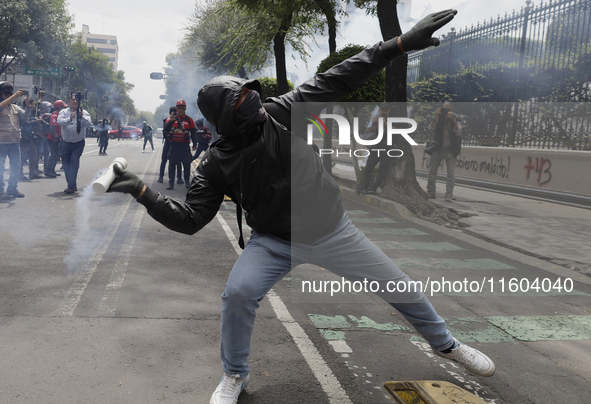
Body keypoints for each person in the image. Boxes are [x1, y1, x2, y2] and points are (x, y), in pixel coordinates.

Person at [107, 10, 495, 404]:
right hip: (274, 242)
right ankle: (234, 375)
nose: (253, 97)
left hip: (333, 231)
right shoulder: (214, 163)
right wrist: (141, 190)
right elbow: (190, 220)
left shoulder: (280, 111)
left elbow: (338, 77)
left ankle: (447, 345)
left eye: (250, 91)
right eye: (241, 98)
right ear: (226, 116)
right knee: (238, 294)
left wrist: (398, 44)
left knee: (398, 285)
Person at [426, 101, 462, 202]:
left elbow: (458, 131)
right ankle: (431, 192)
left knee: (451, 174)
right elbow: (431, 128)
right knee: (432, 171)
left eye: (448, 109)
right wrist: (435, 116)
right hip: (438, 148)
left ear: (452, 110)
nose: (446, 111)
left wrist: (453, 120)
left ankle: (449, 195)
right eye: (444, 108)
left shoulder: (456, 118)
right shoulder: (439, 117)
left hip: (451, 150)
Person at [57, 93, 92, 194]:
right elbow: (60, 122)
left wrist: (82, 117)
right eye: (73, 100)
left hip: (78, 143)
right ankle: (72, 183)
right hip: (66, 143)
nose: (75, 101)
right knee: (66, 164)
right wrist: (70, 119)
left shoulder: (83, 112)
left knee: (74, 161)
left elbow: (89, 123)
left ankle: (71, 186)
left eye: (77, 100)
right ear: (68, 102)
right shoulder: (63, 112)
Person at [0, 82, 30, 199]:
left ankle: (12, 188)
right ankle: (0, 191)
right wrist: (13, 96)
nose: (7, 96)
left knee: (16, 167)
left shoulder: (15, 107)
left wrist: (27, 107)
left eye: (9, 94)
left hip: (14, 142)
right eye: (5, 94)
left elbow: (25, 117)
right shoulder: (2, 106)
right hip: (1, 143)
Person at [358, 103, 395, 195]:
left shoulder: (392, 119)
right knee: (368, 167)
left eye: (386, 110)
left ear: (388, 111)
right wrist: (374, 123)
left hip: (386, 148)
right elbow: (371, 131)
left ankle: (373, 188)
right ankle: (365, 187)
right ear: (379, 111)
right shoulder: (376, 119)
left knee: (382, 170)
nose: (384, 112)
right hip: (376, 147)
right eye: (382, 110)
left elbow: (394, 130)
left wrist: (385, 124)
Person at [163, 99, 196, 190]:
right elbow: (165, 129)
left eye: (182, 108)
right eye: (179, 108)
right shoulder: (171, 118)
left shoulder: (189, 119)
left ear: (185, 109)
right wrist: (171, 121)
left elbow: (193, 132)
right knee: (172, 164)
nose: (181, 110)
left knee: (186, 163)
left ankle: (187, 181)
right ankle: (171, 183)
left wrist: (195, 144)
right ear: (176, 108)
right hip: (174, 146)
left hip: (185, 146)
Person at [158, 106, 182, 184]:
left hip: (176, 143)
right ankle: (161, 177)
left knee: (178, 161)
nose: (174, 115)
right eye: (172, 114)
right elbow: (165, 128)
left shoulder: (179, 120)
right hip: (168, 143)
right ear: (169, 114)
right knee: (164, 160)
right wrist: (171, 120)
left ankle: (179, 178)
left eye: (175, 114)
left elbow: (182, 128)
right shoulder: (167, 120)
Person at [45, 100, 66, 177]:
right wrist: (56, 136)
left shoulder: (58, 115)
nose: (64, 108)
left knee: (56, 155)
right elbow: (52, 128)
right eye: (63, 107)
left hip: (56, 138)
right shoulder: (54, 116)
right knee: (54, 155)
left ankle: (52, 170)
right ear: (59, 107)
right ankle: (48, 171)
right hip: (53, 138)